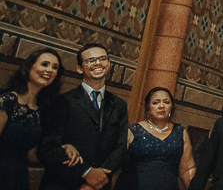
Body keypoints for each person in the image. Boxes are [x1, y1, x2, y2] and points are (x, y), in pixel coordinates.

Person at [39, 43, 129, 190]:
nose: (98, 63)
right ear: (79, 68)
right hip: (63, 183)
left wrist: (99, 179)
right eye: (91, 60)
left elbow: (120, 147)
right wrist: (86, 173)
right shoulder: (63, 101)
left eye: (102, 58)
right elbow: (48, 147)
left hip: (100, 185)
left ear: (109, 63)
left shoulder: (119, 105)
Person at [0, 48, 62, 190]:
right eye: (44, 64)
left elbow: (31, 156)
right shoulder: (8, 100)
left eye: (55, 67)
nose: (50, 70)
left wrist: (64, 149)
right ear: (29, 67)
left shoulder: (42, 109)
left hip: (19, 174)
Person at [116, 87, 195, 190]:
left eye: (166, 102)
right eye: (155, 103)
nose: (161, 106)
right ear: (148, 107)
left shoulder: (180, 132)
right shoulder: (133, 131)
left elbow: (187, 170)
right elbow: (114, 161)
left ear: (171, 107)